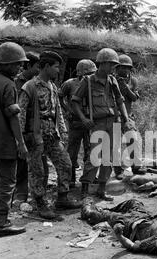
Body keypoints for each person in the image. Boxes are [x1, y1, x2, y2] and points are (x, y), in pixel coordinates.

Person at [18, 51, 82, 220]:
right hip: (34, 135)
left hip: (51, 134)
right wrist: (21, 140)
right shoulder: (30, 87)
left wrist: (63, 131)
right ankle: (40, 203)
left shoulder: (53, 86)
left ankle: (62, 198)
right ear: (46, 66)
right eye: (55, 67)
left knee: (66, 164)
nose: (58, 71)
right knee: (37, 171)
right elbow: (21, 114)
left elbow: (58, 111)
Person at [72, 48, 132, 201]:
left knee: (110, 156)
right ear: (102, 63)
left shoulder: (112, 81)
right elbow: (75, 101)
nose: (114, 68)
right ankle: (85, 190)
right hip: (97, 123)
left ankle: (101, 189)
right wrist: (84, 119)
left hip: (113, 121)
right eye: (112, 64)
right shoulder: (88, 81)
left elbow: (120, 101)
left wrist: (126, 118)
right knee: (95, 155)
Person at [0, 42, 28, 236]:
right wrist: (21, 144)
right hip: (4, 143)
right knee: (7, 183)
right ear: (5, 64)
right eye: (16, 64)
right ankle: (1, 223)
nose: (19, 68)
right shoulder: (8, 84)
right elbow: (13, 117)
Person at [13, 51, 50, 203]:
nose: (38, 69)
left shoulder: (40, 83)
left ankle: (40, 193)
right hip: (20, 126)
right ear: (29, 65)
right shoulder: (17, 81)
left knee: (40, 162)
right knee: (21, 162)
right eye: (36, 66)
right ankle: (21, 194)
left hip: (36, 129)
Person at [59, 59, 97, 188]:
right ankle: (70, 179)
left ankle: (88, 178)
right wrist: (67, 110)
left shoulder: (93, 84)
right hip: (75, 122)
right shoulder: (69, 84)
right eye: (88, 73)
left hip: (90, 122)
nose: (91, 75)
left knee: (90, 150)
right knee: (72, 152)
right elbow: (59, 97)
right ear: (80, 73)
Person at [114, 54, 146, 180]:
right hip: (114, 116)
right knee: (115, 143)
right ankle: (117, 170)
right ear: (117, 68)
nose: (124, 70)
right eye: (121, 67)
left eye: (127, 68)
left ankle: (135, 166)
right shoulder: (111, 79)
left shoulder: (133, 81)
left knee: (133, 138)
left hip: (128, 116)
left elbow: (134, 98)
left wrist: (126, 88)